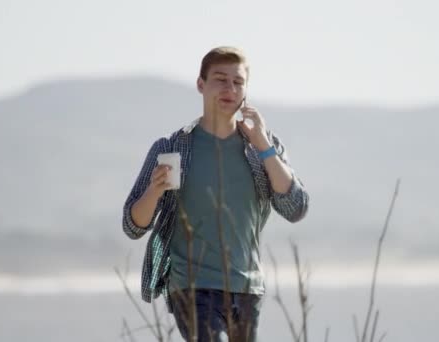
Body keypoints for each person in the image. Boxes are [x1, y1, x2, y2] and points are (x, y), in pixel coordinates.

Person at [122, 46, 309, 342]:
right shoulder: (172, 148)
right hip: (192, 287)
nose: (230, 89)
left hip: (248, 289)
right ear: (201, 84)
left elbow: (296, 207)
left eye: (238, 82)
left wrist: (263, 143)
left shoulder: (262, 148)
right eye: (220, 79)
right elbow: (132, 225)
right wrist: (154, 191)